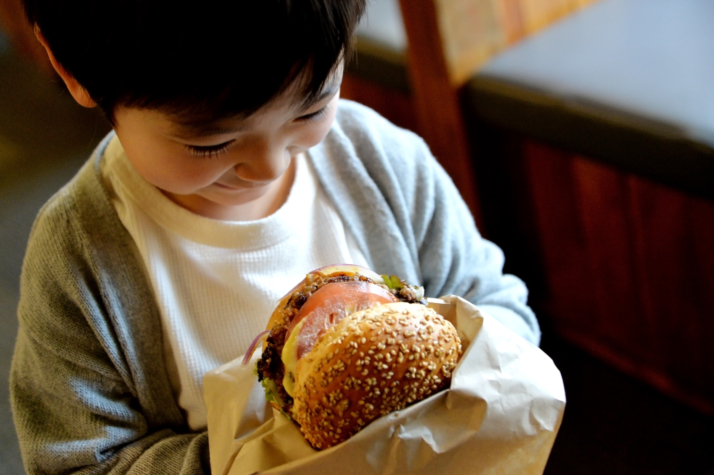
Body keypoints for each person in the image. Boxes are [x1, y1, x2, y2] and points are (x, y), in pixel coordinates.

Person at [10, 0, 541, 473]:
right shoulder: (77, 262)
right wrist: (267, 453)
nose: (267, 166)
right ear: (73, 69)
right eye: (211, 144)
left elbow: (496, 306)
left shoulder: (384, 165)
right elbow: (80, 462)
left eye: (311, 109)